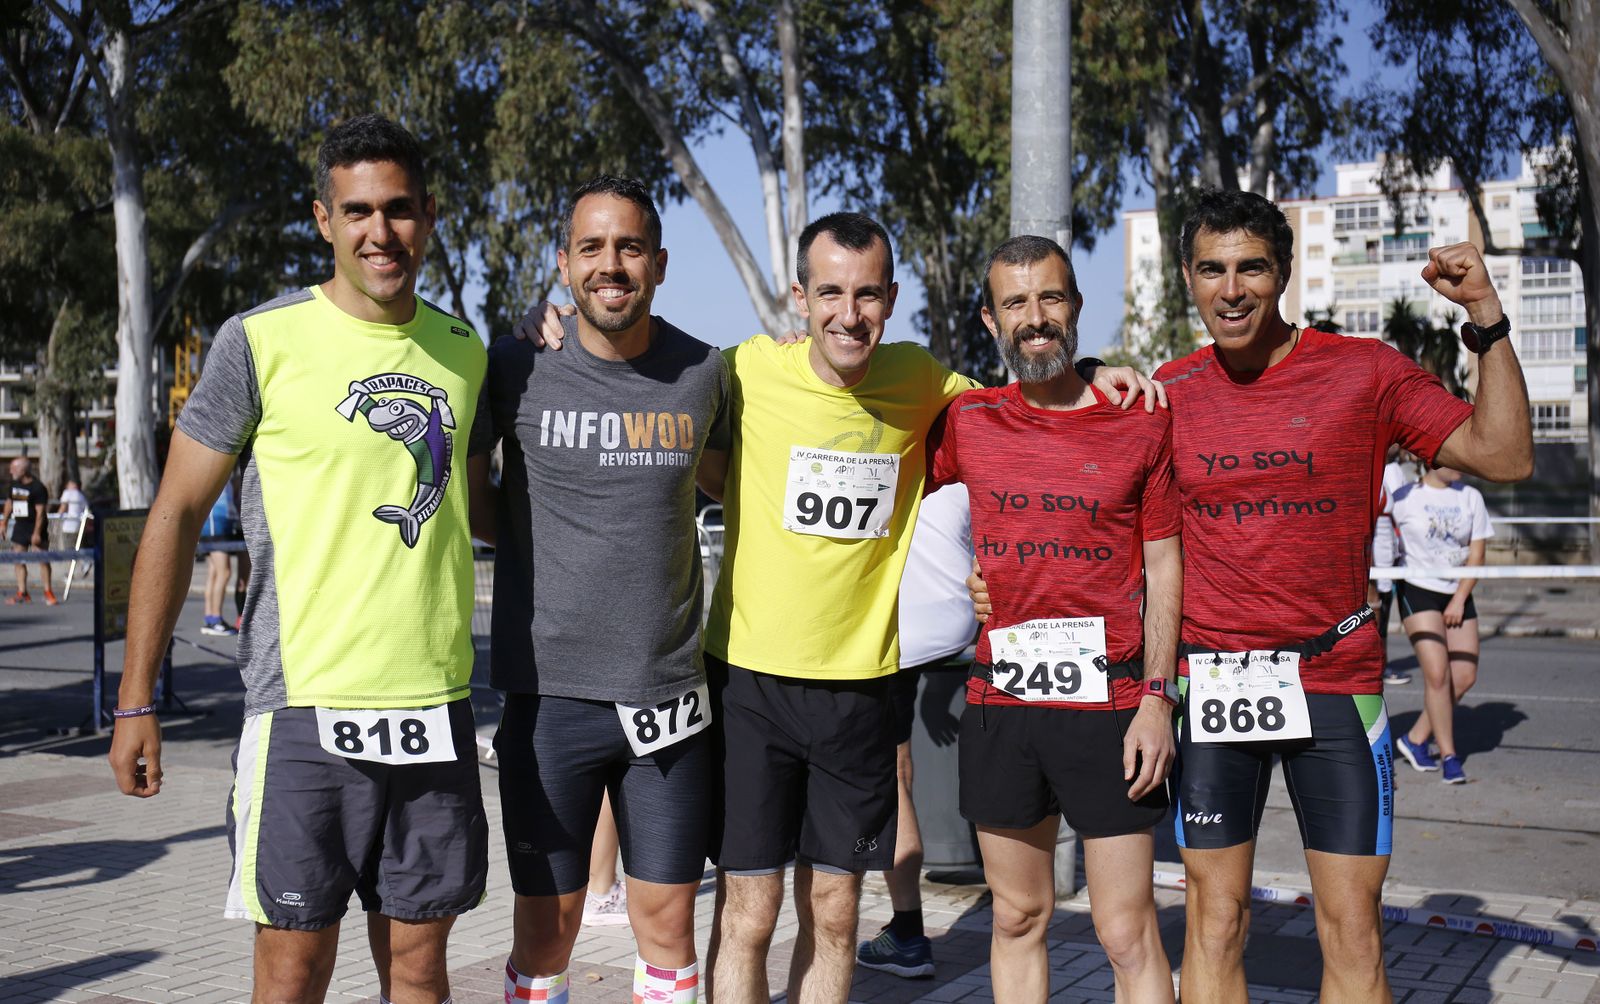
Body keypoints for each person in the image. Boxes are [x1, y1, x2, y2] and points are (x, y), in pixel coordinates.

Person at [520, 215, 1162, 1004]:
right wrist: (543, 323)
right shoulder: (742, 371)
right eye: (829, 293)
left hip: (861, 690)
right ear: (800, 297)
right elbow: (634, 360)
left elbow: (1028, 395)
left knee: (833, 911)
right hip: (749, 684)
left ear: (890, 300)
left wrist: (1096, 371)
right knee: (749, 915)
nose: (847, 314)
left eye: (866, 296)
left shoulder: (923, 383)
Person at [970, 190, 1531, 1002]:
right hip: (1212, 684)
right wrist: (998, 585)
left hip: (1337, 685)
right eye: (1211, 270)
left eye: (1251, 269)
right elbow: (1070, 460)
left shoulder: (1364, 371)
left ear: (1283, 274)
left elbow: (1506, 455)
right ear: (1190, 282)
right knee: (1215, 920)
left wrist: (1484, 314)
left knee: (1352, 930)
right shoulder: (1162, 392)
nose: (1231, 289)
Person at [108, 114, 488, 1004]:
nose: (378, 232)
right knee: (292, 974)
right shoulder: (259, 341)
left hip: (434, 705)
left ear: (429, 215)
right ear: (324, 219)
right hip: (301, 711)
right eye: (356, 210)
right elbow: (174, 514)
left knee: (421, 972)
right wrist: (136, 699)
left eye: (398, 209)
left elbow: (488, 507)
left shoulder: (465, 350)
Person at [470, 174, 730, 1004]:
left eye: (628, 248)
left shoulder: (705, 372)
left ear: (657, 262)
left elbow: (735, 484)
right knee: (548, 932)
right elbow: (478, 508)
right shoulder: (515, 365)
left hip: (668, 703)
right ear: (564, 263)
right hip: (549, 705)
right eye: (592, 248)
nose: (610, 265)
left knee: (666, 924)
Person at [930, 235, 1181, 1002]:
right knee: (1016, 917)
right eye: (1016, 302)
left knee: (1126, 931)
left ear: (1075, 307)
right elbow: (891, 500)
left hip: (1110, 707)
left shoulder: (1138, 416)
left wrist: (1157, 699)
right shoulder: (966, 420)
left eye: (1051, 298)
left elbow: (1165, 566)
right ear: (989, 318)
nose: (1035, 318)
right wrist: (957, 587)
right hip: (1003, 706)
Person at [854, 482, 978, 980]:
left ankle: (904, 930)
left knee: (883, 777)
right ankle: (906, 930)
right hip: (958, 618)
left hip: (888, 627)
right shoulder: (973, 424)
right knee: (895, 772)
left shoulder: (889, 418)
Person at [1390, 464, 1492, 784]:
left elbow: (1477, 554)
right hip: (1417, 589)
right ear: (1430, 458)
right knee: (1438, 674)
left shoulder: (1471, 497)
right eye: (1456, 458)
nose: (1463, 463)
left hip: (1458, 590)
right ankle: (1449, 755)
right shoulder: (1404, 498)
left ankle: (1416, 738)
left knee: (1464, 676)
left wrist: (1461, 597)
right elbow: (1382, 542)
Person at [1373, 451, 1413, 685]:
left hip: (1388, 550)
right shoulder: (1376, 471)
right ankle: (1378, 666)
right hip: (1376, 556)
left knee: (1384, 612)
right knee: (1377, 613)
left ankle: (1381, 664)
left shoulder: (1389, 470)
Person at [4, 457, 56, 605]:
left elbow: (41, 512)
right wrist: (4, 522)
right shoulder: (14, 485)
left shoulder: (38, 488)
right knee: (18, 559)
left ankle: (48, 591)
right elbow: (9, 503)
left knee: (42, 559)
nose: (10, 471)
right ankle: (22, 592)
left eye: (14, 468)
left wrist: (37, 533)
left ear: (23, 470)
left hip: (35, 527)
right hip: (20, 527)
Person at [199, 480, 240, 636]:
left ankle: (210, 617)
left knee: (214, 572)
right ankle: (216, 619)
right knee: (225, 572)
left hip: (216, 520)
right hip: (216, 521)